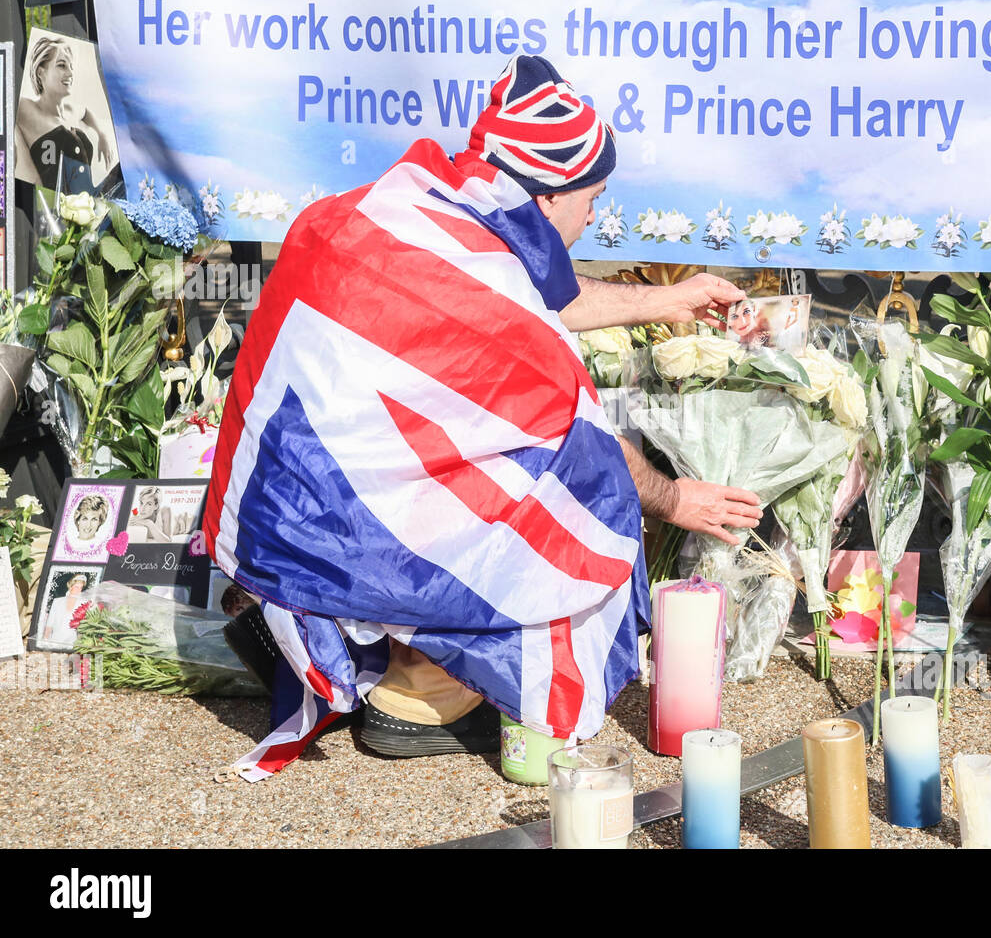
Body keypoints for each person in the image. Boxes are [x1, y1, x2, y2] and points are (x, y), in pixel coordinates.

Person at [209, 55, 763, 776]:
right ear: (547, 195)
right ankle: (419, 696)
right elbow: (579, 444)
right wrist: (674, 498)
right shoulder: (486, 279)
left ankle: (331, 628)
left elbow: (542, 292)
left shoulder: (433, 197)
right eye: (592, 197)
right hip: (347, 518)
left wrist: (664, 298)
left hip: (281, 516)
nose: (597, 214)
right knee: (566, 500)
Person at [15, 36, 115, 193]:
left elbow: (86, 113)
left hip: (88, 204)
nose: (70, 73)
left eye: (71, 66)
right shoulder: (26, 107)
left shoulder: (70, 110)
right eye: (61, 65)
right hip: (54, 211)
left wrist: (102, 135)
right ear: (41, 72)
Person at [41, 573, 89, 647]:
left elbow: (83, 627)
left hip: (72, 643)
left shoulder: (83, 603)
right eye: (76, 587)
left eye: (81, 588)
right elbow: (49, 625)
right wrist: (45, 642)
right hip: (55, 642)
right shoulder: (57, 602)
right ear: (70, 586)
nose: (78, 590)